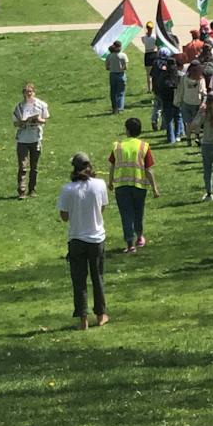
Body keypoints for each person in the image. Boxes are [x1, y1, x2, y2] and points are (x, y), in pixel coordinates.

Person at [58, 152, 110, 331]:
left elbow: (64, 216)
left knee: (79, 281)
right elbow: (102, 207)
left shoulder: (67, 189)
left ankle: (83, 319)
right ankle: (101, 314)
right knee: (98, 277)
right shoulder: (100, 184)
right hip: (96, 238)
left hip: (76, 239)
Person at [108, 117, 159, 254]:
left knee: (126, 214)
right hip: (139, 185)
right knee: (138, 211)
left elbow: (112, 165)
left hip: (121, 185)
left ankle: (130, 244)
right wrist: (154, 187)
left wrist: (110, 181)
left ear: (127, 130)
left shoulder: (118, 146)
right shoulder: (144, 146)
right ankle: (140, 237)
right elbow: (148, 169)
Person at [13, 81, 50, 199]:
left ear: (34, 92)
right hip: (23, 140)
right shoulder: (19, 107)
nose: (28, 94)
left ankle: (32, 190)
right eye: (26, 92)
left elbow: (45, 120)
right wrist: (22, 122)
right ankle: (21, 191)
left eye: (30, 92)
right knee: (22, 166)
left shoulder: (41, 105)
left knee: (34, 167)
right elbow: (15, 123)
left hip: (35, 138)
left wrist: (38, 119)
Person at [177, 61, 207, 144]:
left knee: (188, 123)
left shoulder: (184, 78)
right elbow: (203, 92)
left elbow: (181, 90)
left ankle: (188, 139)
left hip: (186, 102)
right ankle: (197, 137)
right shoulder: (200, 79)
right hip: (197, 103)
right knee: (197, 122)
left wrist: (179, 100)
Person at [105, 41, 128, 114]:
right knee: (121, 92)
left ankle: (114, 108)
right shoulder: (123, 55)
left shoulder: (109, 56)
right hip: (121, 75)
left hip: (113, 75)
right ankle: (120, 108)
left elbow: (107, 67)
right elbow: (126, 67)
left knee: (113, 92)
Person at [141, 21, 159, 93]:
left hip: (148, 54)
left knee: (148, 74)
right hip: (154, 53)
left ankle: (149, 89)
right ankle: (154, 87)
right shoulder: (155, 37)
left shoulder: (144, 37)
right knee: (155, 72)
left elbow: (143, 40)